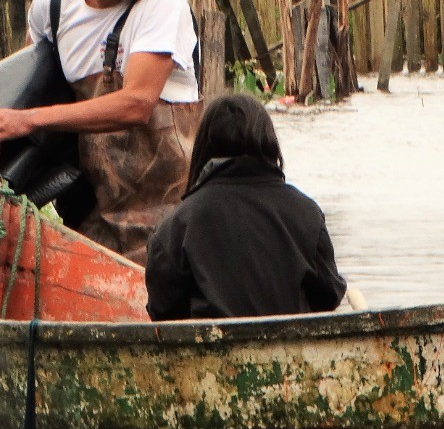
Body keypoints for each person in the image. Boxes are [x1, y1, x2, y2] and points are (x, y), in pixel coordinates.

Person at [0, 0, 202, 265]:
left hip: (168, 219)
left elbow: (137, 104)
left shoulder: (162, 2)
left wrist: (28, 120)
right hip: (91, 218)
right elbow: (28, 92)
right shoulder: (54, 5)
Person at [145, 93, 346, 320]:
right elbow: (329, 295)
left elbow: (162, 311)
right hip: (290, 349)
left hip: (210, 351)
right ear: (269, 143)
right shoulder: (308, 213)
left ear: (203, 147)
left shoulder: (175, 226)